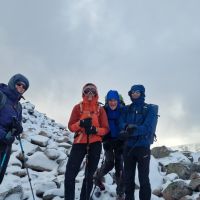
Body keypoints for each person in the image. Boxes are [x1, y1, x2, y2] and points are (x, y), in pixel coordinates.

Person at [65, 83, 109, 200]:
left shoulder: (100, 109)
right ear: (83, 93)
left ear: (96, 93)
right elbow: (70, 126)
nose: (90, 93)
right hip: (79, 143)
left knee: (89, 176)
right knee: (70, 174)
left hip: (95, 144)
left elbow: (105, 129)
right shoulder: (77, 107)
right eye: (87, 91)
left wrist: (95, 130)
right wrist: (81, 123)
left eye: (92, 91)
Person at [120, 84, 158, 200]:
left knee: (143, 179)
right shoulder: (127, 109)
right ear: (130, 94)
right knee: (128, 179)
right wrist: (126, 126)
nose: (135, 94)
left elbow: (148, 127)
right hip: (128, 148)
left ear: (142, 93)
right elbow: (120, 122)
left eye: (137, 92)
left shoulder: (149, 109)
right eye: (133, 92)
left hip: (143, 148)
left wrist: (132, 130)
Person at [94, 90, 125, 199]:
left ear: (118, 101)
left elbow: (125, 124)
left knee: (119, 165)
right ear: (107, 101)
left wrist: (123, 139)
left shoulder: (122, 110)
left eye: (115, 100)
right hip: (108, 140)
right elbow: (100, 125)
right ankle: (97, 178)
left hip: (120, 141)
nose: (113, 102)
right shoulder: (103, 111)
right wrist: (103, 139)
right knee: (109, 163)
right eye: (110, 100)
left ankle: (121, 192)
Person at [0, 73, 29, 184]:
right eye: (19, 84)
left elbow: (18, 122)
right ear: (13, 83)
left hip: (6, 145)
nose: (21, 88)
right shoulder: (1, 96)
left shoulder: (18, 106)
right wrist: (3, 135)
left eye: (24, 87)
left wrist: (18, 128)